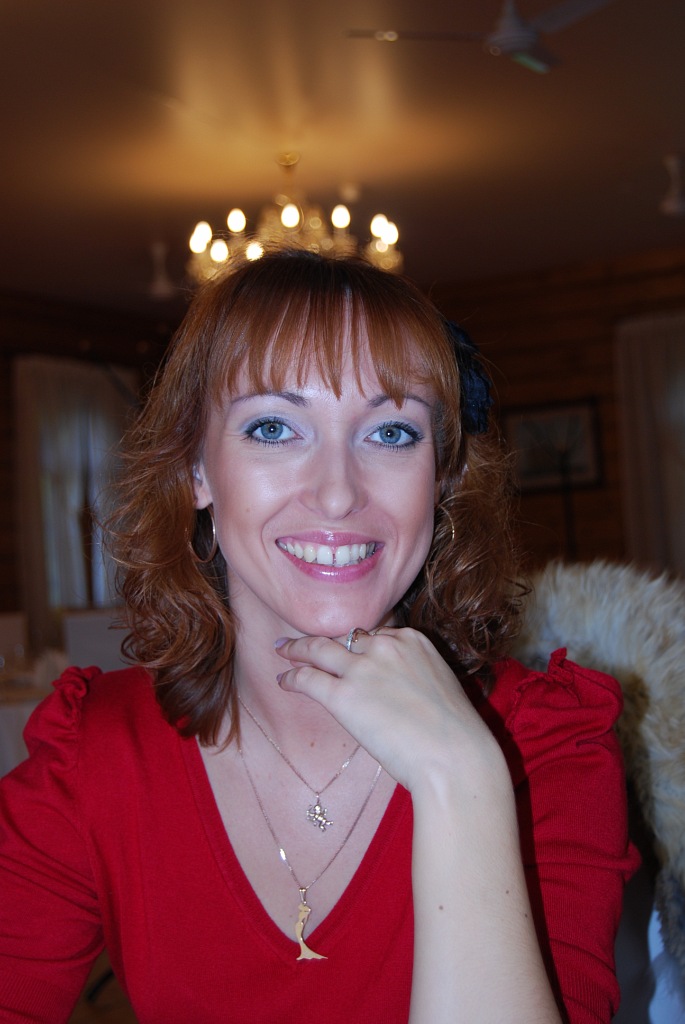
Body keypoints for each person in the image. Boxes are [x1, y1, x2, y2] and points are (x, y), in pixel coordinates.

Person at [0, 249, 637, 1023]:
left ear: (439, 477)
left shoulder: (545, 747)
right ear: (197, 469)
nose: (337, 494)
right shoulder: (95, 755)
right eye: (273, 427)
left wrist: (459, 779)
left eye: (391, 433)